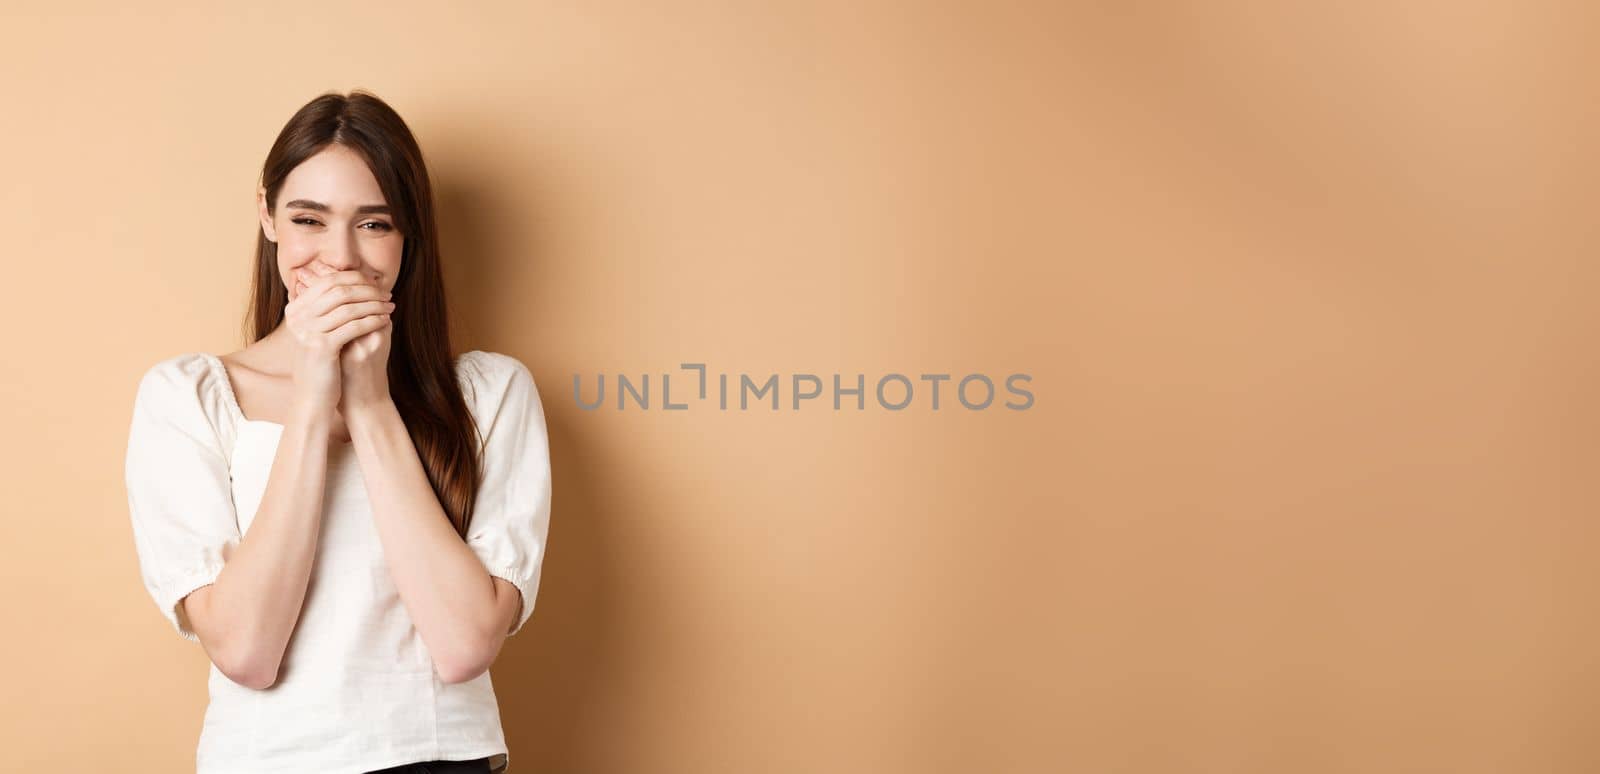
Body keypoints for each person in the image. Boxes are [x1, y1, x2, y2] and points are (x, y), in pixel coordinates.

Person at [123, 90, 551, 774]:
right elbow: (246, 653)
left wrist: (371, 403)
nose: (341, 256)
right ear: (268, 217)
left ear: (409, 235)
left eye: (374, 224)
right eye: (309, 220)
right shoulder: (188, 397)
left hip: (443, 758)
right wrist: (315, 391)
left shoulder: (490, 394)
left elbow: (465, 645)